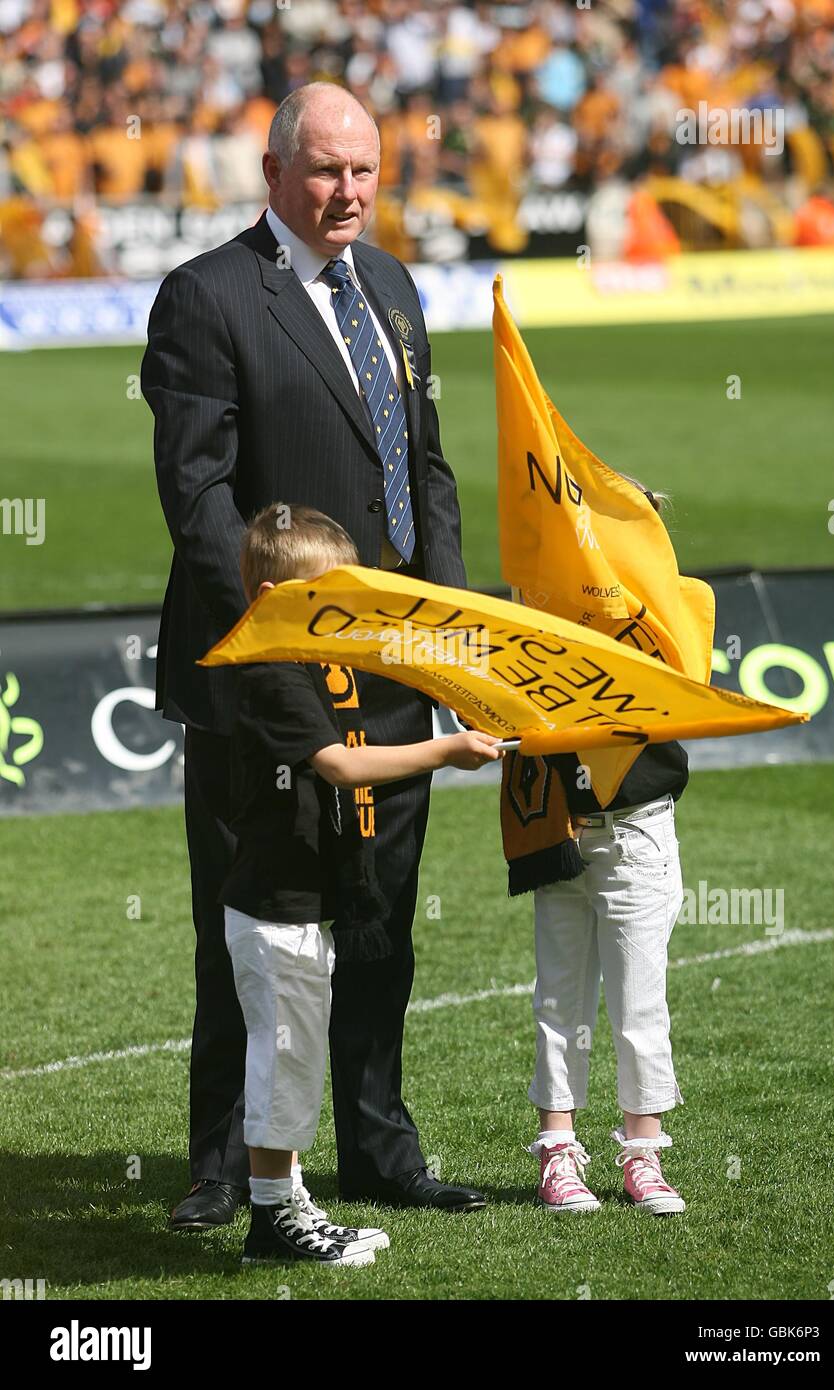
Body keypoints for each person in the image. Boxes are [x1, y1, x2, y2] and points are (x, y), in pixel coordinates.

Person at [142, 82, 484, 1228]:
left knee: (380, 921)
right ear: (275, 171)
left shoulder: (390, 284)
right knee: (248, 926)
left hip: (396, 672)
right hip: (267, 685)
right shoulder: (206, 296)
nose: (349, 194)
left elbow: (422, 468)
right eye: (328, 172)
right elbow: (199, 498)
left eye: (366, 173)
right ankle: (223, 1166)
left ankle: (380, 1151)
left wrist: (448, 626)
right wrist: (283, 646)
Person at [225, 503, 504, 1268]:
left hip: (301, 908)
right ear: (273, 598)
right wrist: (443, 750)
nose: (344, 609)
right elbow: (344, 765)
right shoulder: (274, 673)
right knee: (283, 1062)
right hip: (275, 910)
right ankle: (272, 1223)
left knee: (299, 1058)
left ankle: (286, 1201)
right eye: (328, 596)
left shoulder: (301, 664)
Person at [523, 479, 688, 1216]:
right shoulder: (543, 611)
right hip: (559, 829)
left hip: (640, 830)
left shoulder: (662, 624)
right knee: (559, 999)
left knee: (638, 1003)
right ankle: (558, 1155)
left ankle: (641, 1155)